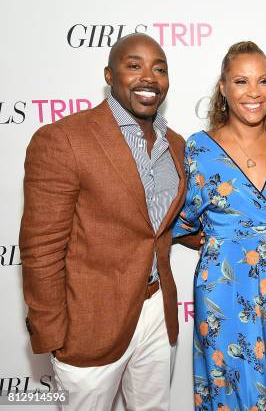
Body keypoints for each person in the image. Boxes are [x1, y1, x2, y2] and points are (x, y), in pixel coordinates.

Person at [20, 33, 185, 410]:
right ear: (109, 75)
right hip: (91, 322)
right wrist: (54, 334)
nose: (149, 77)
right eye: (134, 66)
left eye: (159, 68)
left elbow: (157, 225)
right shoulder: (63, 139)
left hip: (157, 313)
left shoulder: (175, 144)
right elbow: (41, 248)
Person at [173, 41, 266, 411]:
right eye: (241, 81)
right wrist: (216, 240)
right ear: (223, 87)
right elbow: (175, 220)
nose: (254, 92)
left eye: (262, 81)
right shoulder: (199, 149)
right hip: (224, 291)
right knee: (233, 389)